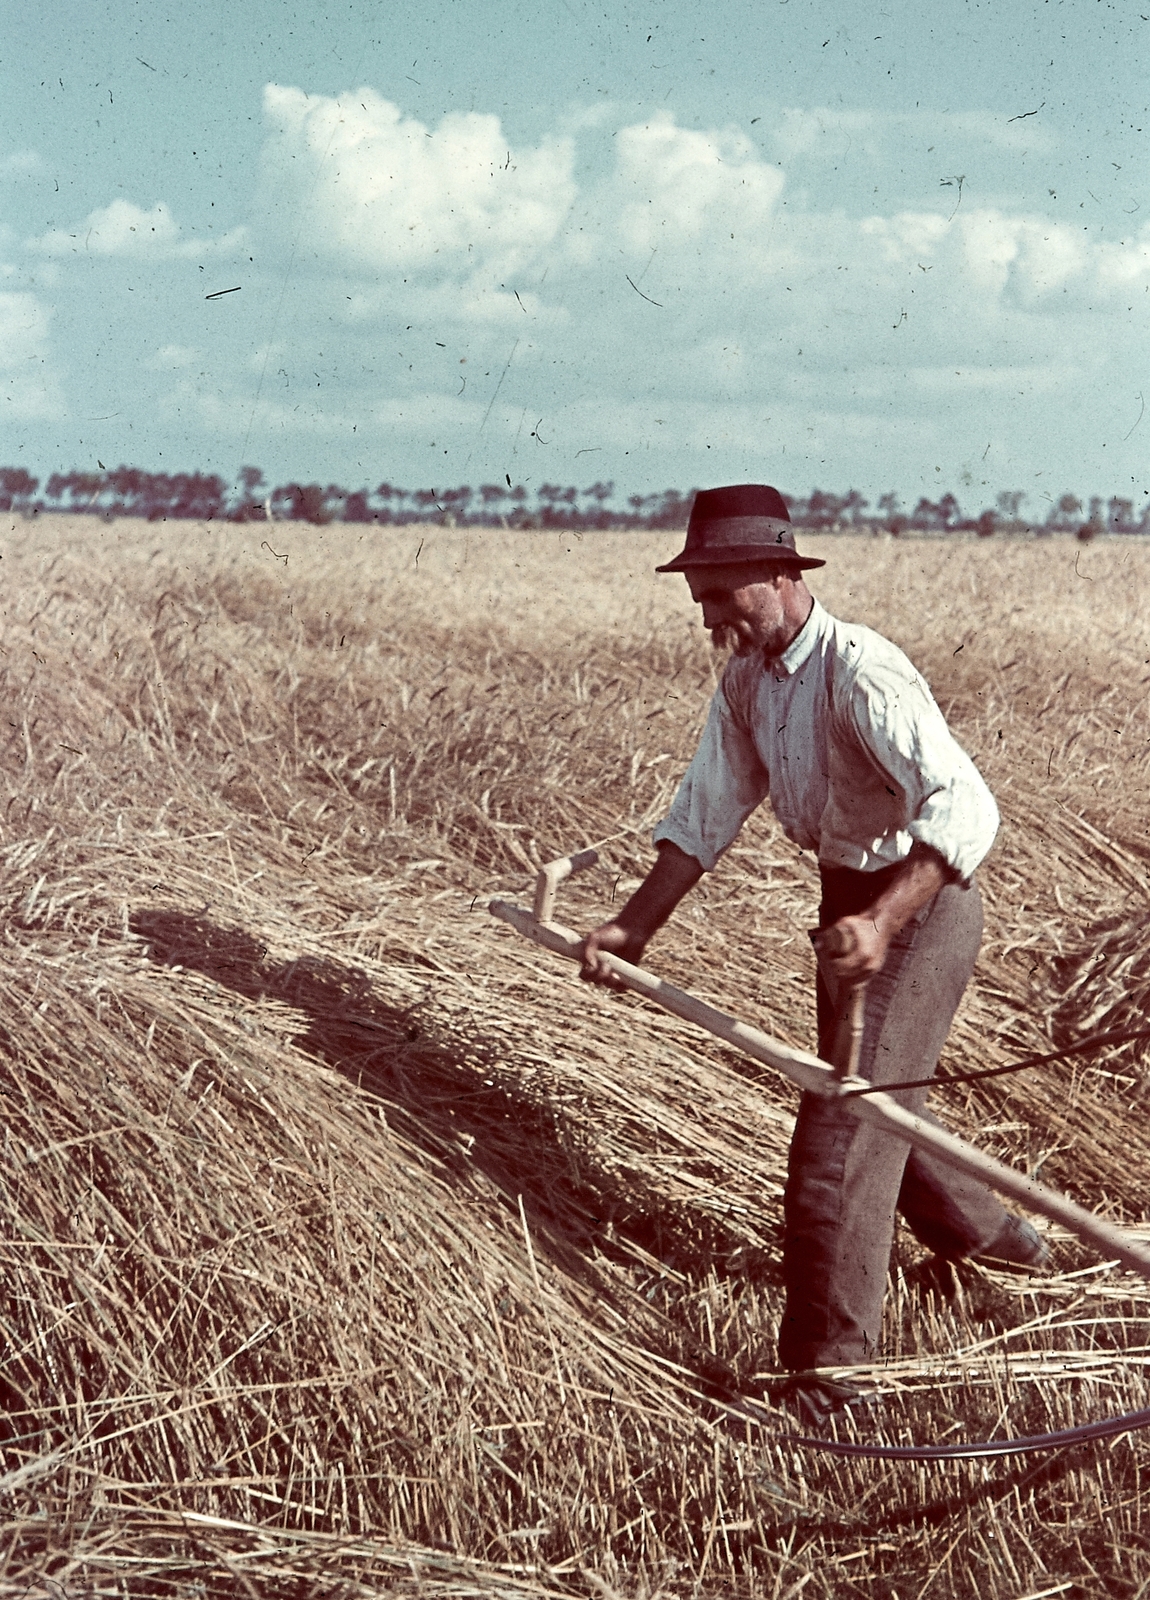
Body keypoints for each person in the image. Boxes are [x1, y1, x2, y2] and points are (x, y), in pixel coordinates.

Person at [579, 483, 1046, 1422]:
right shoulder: (747, 679)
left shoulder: (862, 671)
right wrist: (633, 929)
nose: (711, 617)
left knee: (840, 1138)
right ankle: (1010, 1256)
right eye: (701, 599)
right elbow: (704, 813)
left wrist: (882, 921)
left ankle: (828, 1381)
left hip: (920, 906)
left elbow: (967, 808)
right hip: (849, 914)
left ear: (785, 573)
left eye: (724, 595)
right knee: (880, 1110)